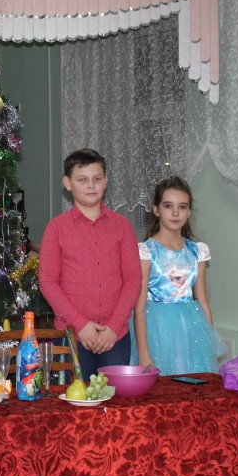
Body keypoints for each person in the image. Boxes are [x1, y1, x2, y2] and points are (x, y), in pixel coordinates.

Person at [38, 148, 141, 379]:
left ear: (106, 181)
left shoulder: (122, 226)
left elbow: (133, 279)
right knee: (75, 398)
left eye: (97, 179)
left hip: (115, 338)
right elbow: (47, 283)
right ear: (68, 183)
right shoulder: (56, 228)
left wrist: (114, 326)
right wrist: (80, 325)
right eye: (82, 180)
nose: (91, 186)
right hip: (72, 336)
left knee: (114, 399)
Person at [130, 176, 222, 375]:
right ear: (156, 210)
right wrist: (144, 352)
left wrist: (209, 344)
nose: (175, 213)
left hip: (190, 330)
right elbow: (139, 307)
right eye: (168, 206)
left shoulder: (197, 252)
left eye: (182, 207)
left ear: (189, 212)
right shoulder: (146, 252)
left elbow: (203, 301)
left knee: (192, 381)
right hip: (157, 331)